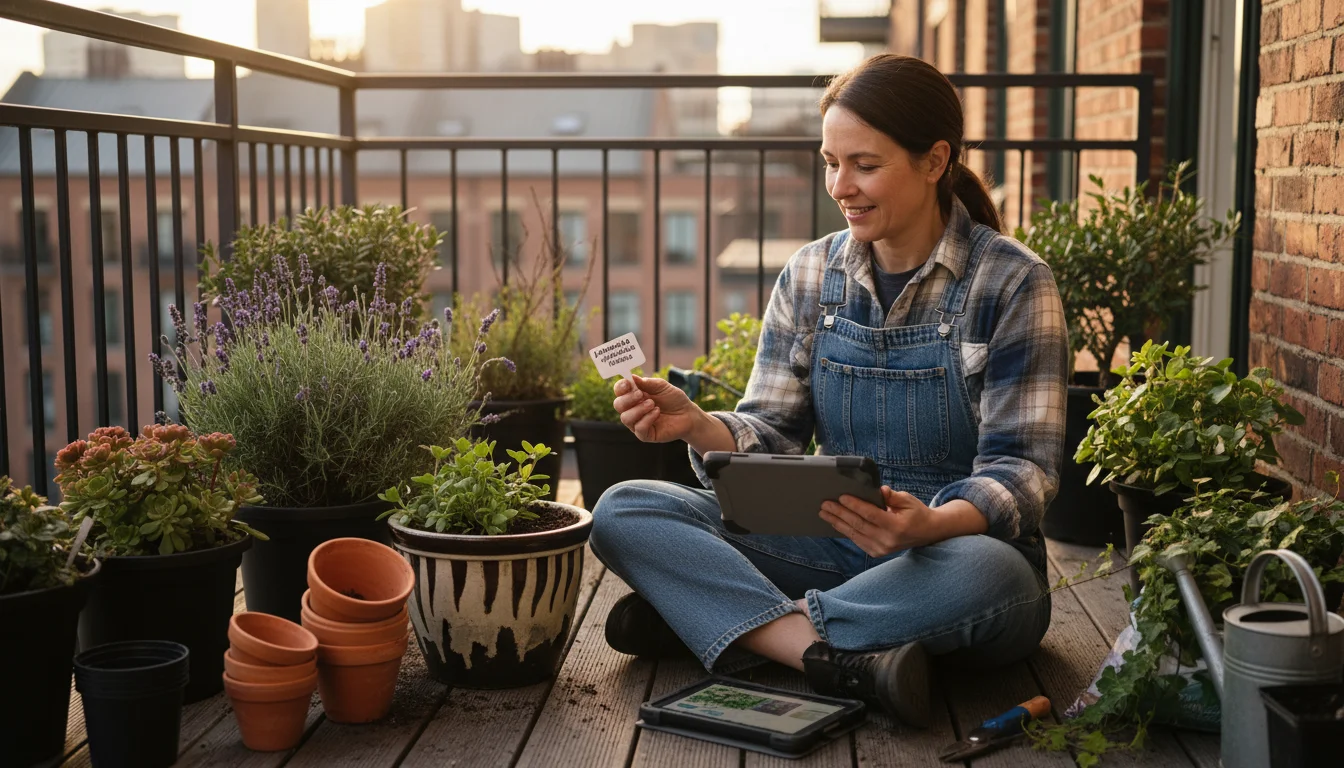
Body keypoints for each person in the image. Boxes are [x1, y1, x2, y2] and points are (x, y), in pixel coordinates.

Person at [588, 54, 1067, 727]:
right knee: (626, 509)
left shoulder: (1013, 282)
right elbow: (772, 433)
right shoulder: (810, 274)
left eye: (864, 164)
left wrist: (928, 524)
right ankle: (829, 652)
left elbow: (1024, 470)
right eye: (830, 162)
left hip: (950, 555)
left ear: (935, 161)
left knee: (996, 580)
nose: (841, 185)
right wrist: (696, 426)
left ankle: (731, 625)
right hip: (829, 543)